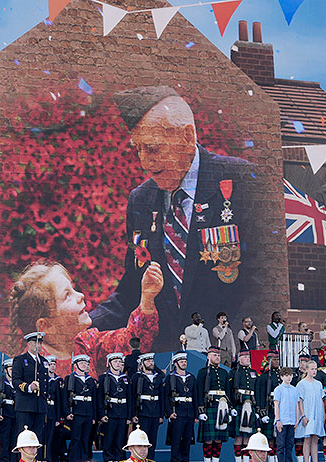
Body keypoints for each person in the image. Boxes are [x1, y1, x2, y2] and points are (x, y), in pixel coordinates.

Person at [89, 86, 256, 352]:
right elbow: (132, 288)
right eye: (138, 149)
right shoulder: (140, 200)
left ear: (187, 137)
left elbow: (257, 287)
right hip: (165, 364)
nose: (145, 162)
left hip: (224, 355)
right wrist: (84, 324)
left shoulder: (244, 181)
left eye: (153, 148)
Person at [10, 261, 163, 378]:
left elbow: (132, 342)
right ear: (46, 326)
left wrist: (147, 299)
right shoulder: (34, 369)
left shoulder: (87, 343)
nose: (80, 296)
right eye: (67, 296)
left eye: (73, 289)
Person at [12, 331, 50, 447]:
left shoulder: (44, 362)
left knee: (38, 437)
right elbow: (16, 381)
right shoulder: (20, 360)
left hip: (40, 405)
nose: (38, 345)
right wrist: (28, 387)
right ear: (29, 344)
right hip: (26, 405)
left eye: (40, 343)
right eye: (35, 343)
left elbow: (45, 383)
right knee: (24, 436)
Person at [197, 345, 230, 462]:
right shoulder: (203, 372)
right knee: (209, 438)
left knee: (218, 437)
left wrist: (230, 407)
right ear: (208, 356)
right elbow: (199, 391)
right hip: (209, 405)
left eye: (218, 355)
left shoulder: (223, 372)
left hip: (222, 406)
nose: (217, 357)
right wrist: (201, 410)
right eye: (215, 355)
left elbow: (227, 391)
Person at [164, 351, 197, 462]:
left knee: (187, 439)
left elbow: (195, 395)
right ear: (176, 363)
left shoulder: (191, 377)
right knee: (176, 438)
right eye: (181, 361)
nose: (184, 363)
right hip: (177, 411)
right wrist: (168, 413)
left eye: (185, 361)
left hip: (189, 411)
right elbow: (166, 396)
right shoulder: (171, 378)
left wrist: (196, 414)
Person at [62, 355, 97, 462]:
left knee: (86, 437)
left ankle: (84, 460)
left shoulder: (91, 380)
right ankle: (74, 461)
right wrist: (67, 412)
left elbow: (94, 399)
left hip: (88, 412)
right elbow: (65, 397)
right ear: (75, 365)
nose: (84, 365)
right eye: (82, 363)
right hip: (76, 412)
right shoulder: (70, 378)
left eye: (86, 364)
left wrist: (94, 416)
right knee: (76, 437)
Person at [97, 352, 130, 462]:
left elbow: (129, 398)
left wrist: (129, 416)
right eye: (115, 361)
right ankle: (109, 459)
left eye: (119, 361)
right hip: (110, 411)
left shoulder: (125, 379)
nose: (118, 363)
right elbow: (99, 398)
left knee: (120, 438)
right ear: (109, 363)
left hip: (122, 412)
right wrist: (101, 414)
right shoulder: (103, 378)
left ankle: (119, 458)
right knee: (109, 437)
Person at [295, 360, 326, 462]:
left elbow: (321, 400)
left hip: (317, 414)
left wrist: (323, 415)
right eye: (312, 369)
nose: (314, 371)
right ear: (307, 369)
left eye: (315, 369)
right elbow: (300, 401)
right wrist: (303, 415)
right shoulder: (301, 384)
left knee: (315, 439)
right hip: (308, 414)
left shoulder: (318, 384)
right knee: (307, 439)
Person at [229, 349, 258, 462]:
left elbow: (257, 390)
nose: (248, 359)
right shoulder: (234, 372)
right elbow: (229, 390)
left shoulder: (254, 373)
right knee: (238, 436)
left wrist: (258, 409)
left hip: (250, 403)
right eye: (245, 357)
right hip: (239, 404)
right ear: (239, 359)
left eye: (248, 357)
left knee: (248, 435)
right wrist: (231, 407)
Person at [130, 353, 163, 458]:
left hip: (155, 412)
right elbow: (132, 396)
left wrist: (161, 415)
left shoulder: (157, 377)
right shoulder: (136, 377)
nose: (151, 363)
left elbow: (161, 397)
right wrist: (133, 414)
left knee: (152, 441)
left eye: (152, 361)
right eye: (148, 361)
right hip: (142, 411)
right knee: (141, 439)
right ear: (142, 363)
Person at [273, 367, 302, 462]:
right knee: (281, 445)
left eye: (290, 375)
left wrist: (296, 419)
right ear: (281, 377)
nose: (289, 377)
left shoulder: (295, 390)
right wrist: (278, 420)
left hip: (291, 420)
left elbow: (296, 405)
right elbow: (277, 405)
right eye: (286, 375)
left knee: (290, 444)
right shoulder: (278, 389)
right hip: (282, 420)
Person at [256, 349, 281, 462]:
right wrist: (262, 412)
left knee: (278, 438)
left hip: (280, 408)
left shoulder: (280, 375)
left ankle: (276, 461)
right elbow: (260, 394)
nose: (276, 361)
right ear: (269, 360)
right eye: (274, 359)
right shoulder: (264, 376)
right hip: (269, 408)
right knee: (270, 437)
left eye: (277, 359)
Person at [0, 358, 17, 462]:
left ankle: (13, 460)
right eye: (11, 369)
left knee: (15, 439)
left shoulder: (18, 384)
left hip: (16, 414)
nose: (13, 371)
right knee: (5, 439)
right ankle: (4, 459)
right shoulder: (0, 384)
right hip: (5, 414)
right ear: (6, 370)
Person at [45, 356, 63, 462]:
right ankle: (44, 459)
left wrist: (58, 417)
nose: (52, 366)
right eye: (50, 364)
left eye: (54, 364)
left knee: (52, 438)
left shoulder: (57, 381)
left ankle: (51, 460)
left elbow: (59, 400)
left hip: (52, 411)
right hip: (44, 410)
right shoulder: (42, 379)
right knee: (43, 438)